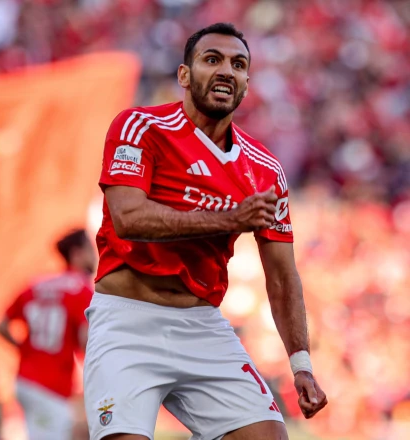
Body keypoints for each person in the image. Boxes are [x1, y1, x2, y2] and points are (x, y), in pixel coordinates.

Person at [84, 22, 327, 440]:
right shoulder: (140, 126)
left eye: (238, 64)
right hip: (127, 321)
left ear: (247, 83)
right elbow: (129, 218)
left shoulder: (265, 170)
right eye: (212, 59)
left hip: (201, 325)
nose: (226, 71)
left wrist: (300, 363)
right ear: (184, 74)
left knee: (269, 437)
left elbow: (283, 276)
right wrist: (232, 219)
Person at [0, 228, 96, 440]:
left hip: (25, 379)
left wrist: (25, 349)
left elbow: (2, 326)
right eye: (90, 248)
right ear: (77, 253)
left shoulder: (36, 284)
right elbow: (86, 341)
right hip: (51, 385)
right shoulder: (81, 288)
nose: (94, 255)